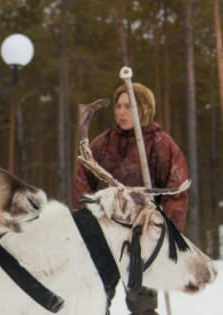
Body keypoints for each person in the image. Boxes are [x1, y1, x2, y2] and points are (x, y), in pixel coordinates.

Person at [73, 82, 189, 315]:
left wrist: (164, 232)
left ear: (144, 109)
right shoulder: (101, 144)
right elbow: (83, 187)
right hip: (104, 236)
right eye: (118, 106)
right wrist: (87, 225)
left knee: (142, 305)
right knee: (94, 301)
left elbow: (176, 192)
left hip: (141, 240)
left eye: (129, 106)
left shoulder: (161, 145)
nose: (121, 111)